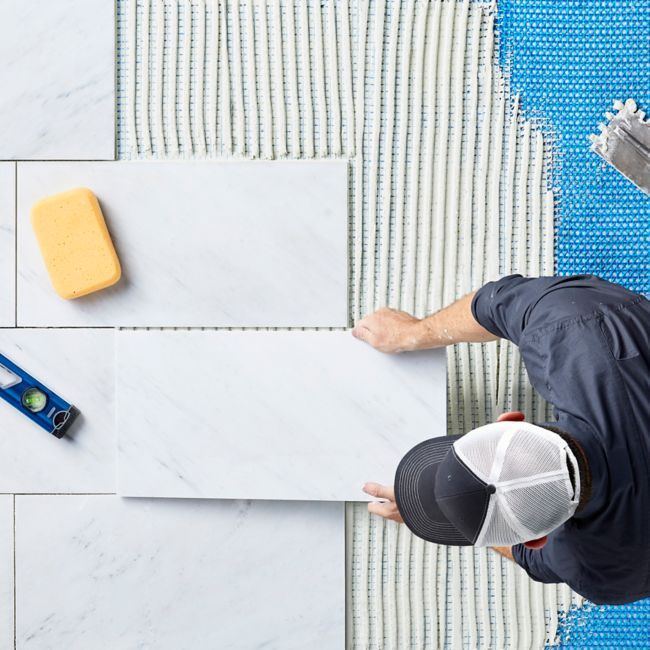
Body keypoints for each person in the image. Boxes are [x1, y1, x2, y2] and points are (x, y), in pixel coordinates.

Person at [352, 274, 649, 606]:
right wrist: (413, 333)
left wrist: (447, 511)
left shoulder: (608, 573)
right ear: (509, 419)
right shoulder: (571, 326)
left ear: (538, 539)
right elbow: (495, 304)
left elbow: (531, 557)